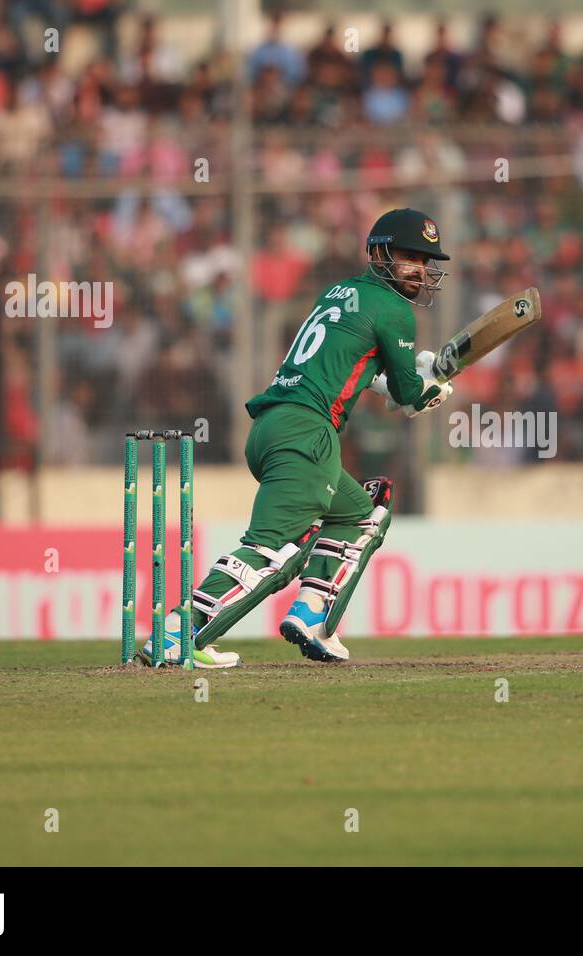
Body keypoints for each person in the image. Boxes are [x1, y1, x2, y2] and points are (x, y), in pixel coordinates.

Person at [139, 209, 454, 668]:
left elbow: (344, 363)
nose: (419, 270)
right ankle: (177, 635)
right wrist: (430, 389)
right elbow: (410, 393)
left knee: (360, 517)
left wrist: (394, 383)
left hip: (273, 426)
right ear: (379, 252)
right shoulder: (394, 310)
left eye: (426, 261)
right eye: (410, 256)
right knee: (274, 551)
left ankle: (312, 618)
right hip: (307, 434)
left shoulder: (340, 292)